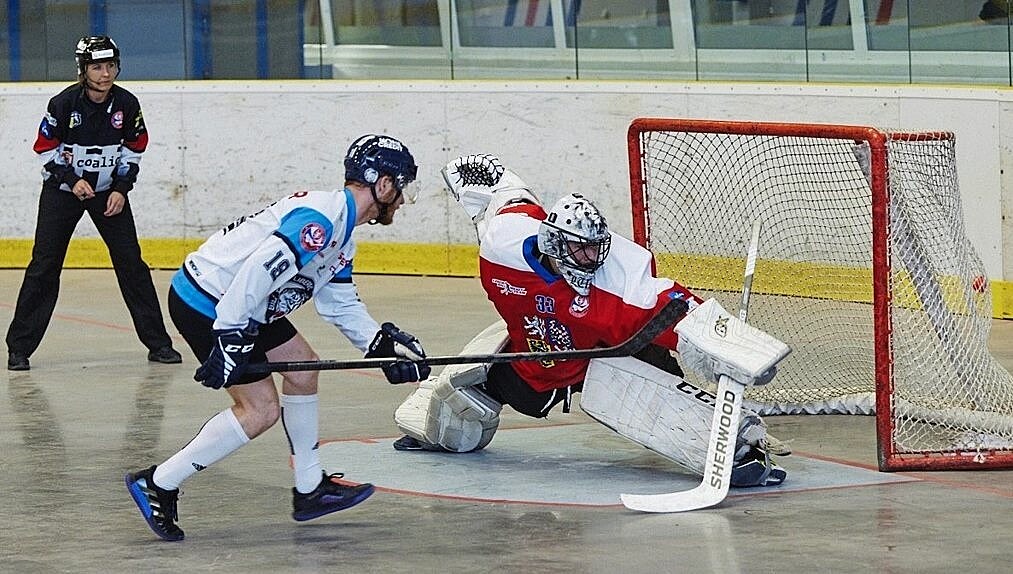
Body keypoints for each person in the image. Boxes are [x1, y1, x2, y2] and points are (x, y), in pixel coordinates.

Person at [393, 154, 789, 489]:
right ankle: (427, 425)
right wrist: (466, 173)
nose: (591, 259)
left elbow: (677, 308)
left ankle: (736, 448)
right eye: (579, 249)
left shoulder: (615, 283)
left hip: (602, 356)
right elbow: (502, 195)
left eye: (595, 248)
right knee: (459, 416)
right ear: (552, 242)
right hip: (533, 359)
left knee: (657, 394)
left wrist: (736, 348)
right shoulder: (503, 243)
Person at [124, 134, 432, 541]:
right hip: (209, 301)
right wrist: (230, 335)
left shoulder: (341, 234)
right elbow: (257, 271)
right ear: (384, 184)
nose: (403, 200)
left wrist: (380, 346)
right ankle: (158, 482)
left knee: (303, 370)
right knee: (260, 410)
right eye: (402, 187)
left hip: (243, 303)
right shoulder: (320, 221)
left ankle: (310, 489)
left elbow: (339, 303)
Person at [6, 35, 181, 371]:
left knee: (132, 264)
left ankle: (159, 344)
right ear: (82, 69)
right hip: (63, 193)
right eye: (97, 67)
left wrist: (121, 189)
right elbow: (44, 148)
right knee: (44, 266)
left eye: (111, 66)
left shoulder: (127, 104)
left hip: (108, 194)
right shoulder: (63, 104)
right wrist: (72, 180)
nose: (105, 74)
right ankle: (19, 349)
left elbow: (134, 149)